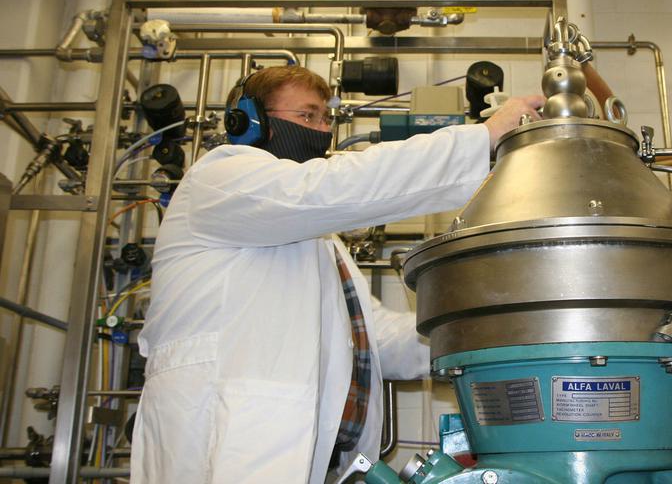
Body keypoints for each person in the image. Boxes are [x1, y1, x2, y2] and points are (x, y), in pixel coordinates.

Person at [130, 65, 543, 483]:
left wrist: (492, 330)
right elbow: (333, 187)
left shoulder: (322, 244)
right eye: (307, 116)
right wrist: (483, 136)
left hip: (308, 456)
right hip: (217, 439)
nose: (321, 129)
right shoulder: (221, 180)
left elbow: (380, 341)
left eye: (326, 118)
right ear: (250, 123)